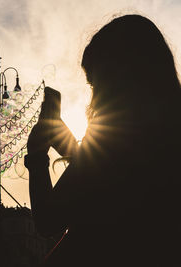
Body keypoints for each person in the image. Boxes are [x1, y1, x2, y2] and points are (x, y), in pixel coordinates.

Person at [26, 14, 181, 266]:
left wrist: (36, 155)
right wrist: (69, 142)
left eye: (96, 84)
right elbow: (105, 184)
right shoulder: (167, 129)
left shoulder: (114, 136)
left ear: (118, 79)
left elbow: (48, 219)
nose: (94, 97)